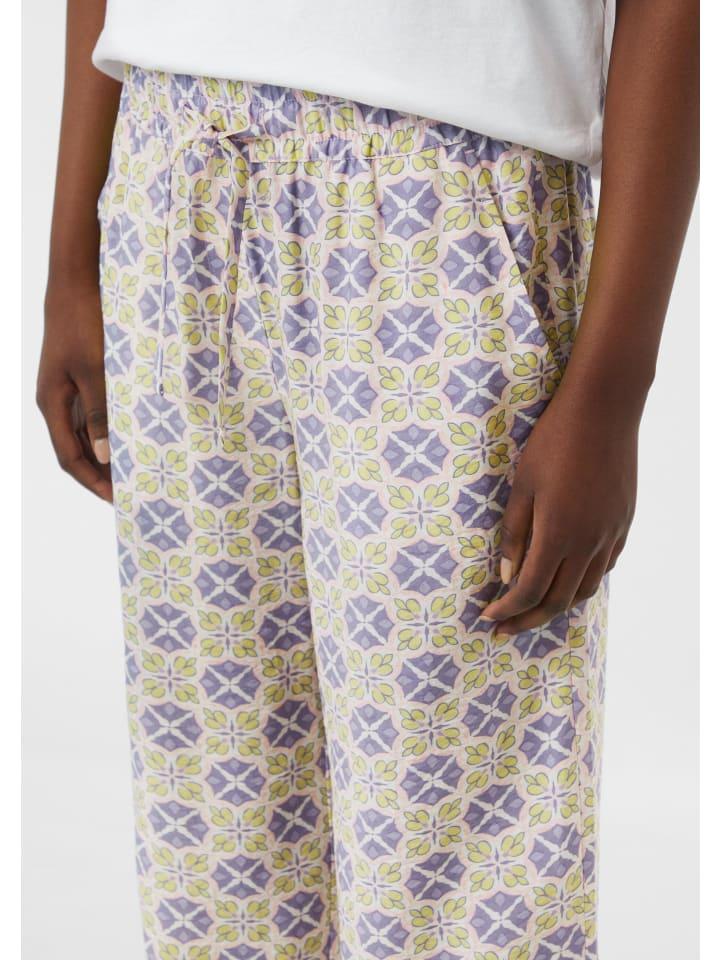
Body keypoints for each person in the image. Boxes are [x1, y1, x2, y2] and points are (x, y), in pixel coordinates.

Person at [36, 1, 698, 957]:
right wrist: (71, 264)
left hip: (446, 212)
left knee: (456, 844)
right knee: (218, 816)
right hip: (173, 182)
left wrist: (611, 390)